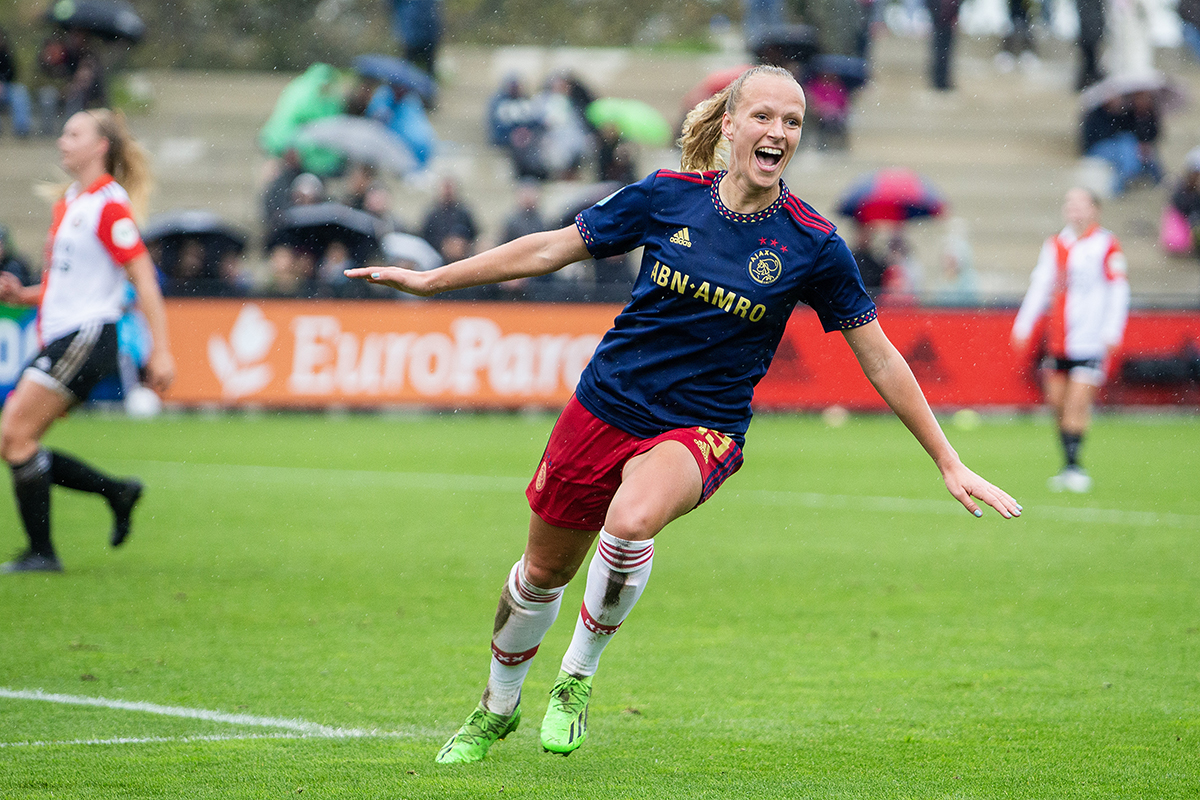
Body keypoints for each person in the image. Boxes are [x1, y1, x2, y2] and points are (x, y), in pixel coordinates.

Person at [347, 65, 1020, 763]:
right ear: (729, 125)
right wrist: (433, 281)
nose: (778, 132)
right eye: (763, 117)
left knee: (631, 520)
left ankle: (575, 680)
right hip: (605, 405)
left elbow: (879, 356)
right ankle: (496, 707)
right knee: (540, 574)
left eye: (792, 122)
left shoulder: (812, 243)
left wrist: (949, 459)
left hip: (703, 425)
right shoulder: (667, 198)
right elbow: (552, 247)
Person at [0, 109, 174, 573]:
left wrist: (162, 349)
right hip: (64, 335)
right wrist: (25, 294)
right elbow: (70, 283)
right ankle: (117, 492)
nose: (62, 141)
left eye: (73, 133)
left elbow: (144, 279)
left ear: (100, 146)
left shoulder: (107, 205)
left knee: (14, 436)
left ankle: (43, 553)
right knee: (19, 441)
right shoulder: (74, 201)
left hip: (87, 336)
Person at [1011, 188, 1129, 493]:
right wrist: (1024, 324)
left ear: (1095, 209)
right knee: (1058, 405)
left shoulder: (1106, 244)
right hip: (1059, 341)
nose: (1074, 210)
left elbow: (1118, 290)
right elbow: (1040, 285)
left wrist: (1112, 330)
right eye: (1070, 204)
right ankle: (1068, 465)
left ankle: (1075, 467)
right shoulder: (1056, 244)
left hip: (1090, 341)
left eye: (1080, 204)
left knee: (1078, 403)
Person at [0, 27, 33, 138]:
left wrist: (3, 82)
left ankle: (22, 128)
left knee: (20, 91)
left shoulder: (6, 54)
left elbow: (12, 73)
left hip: (6, 87)